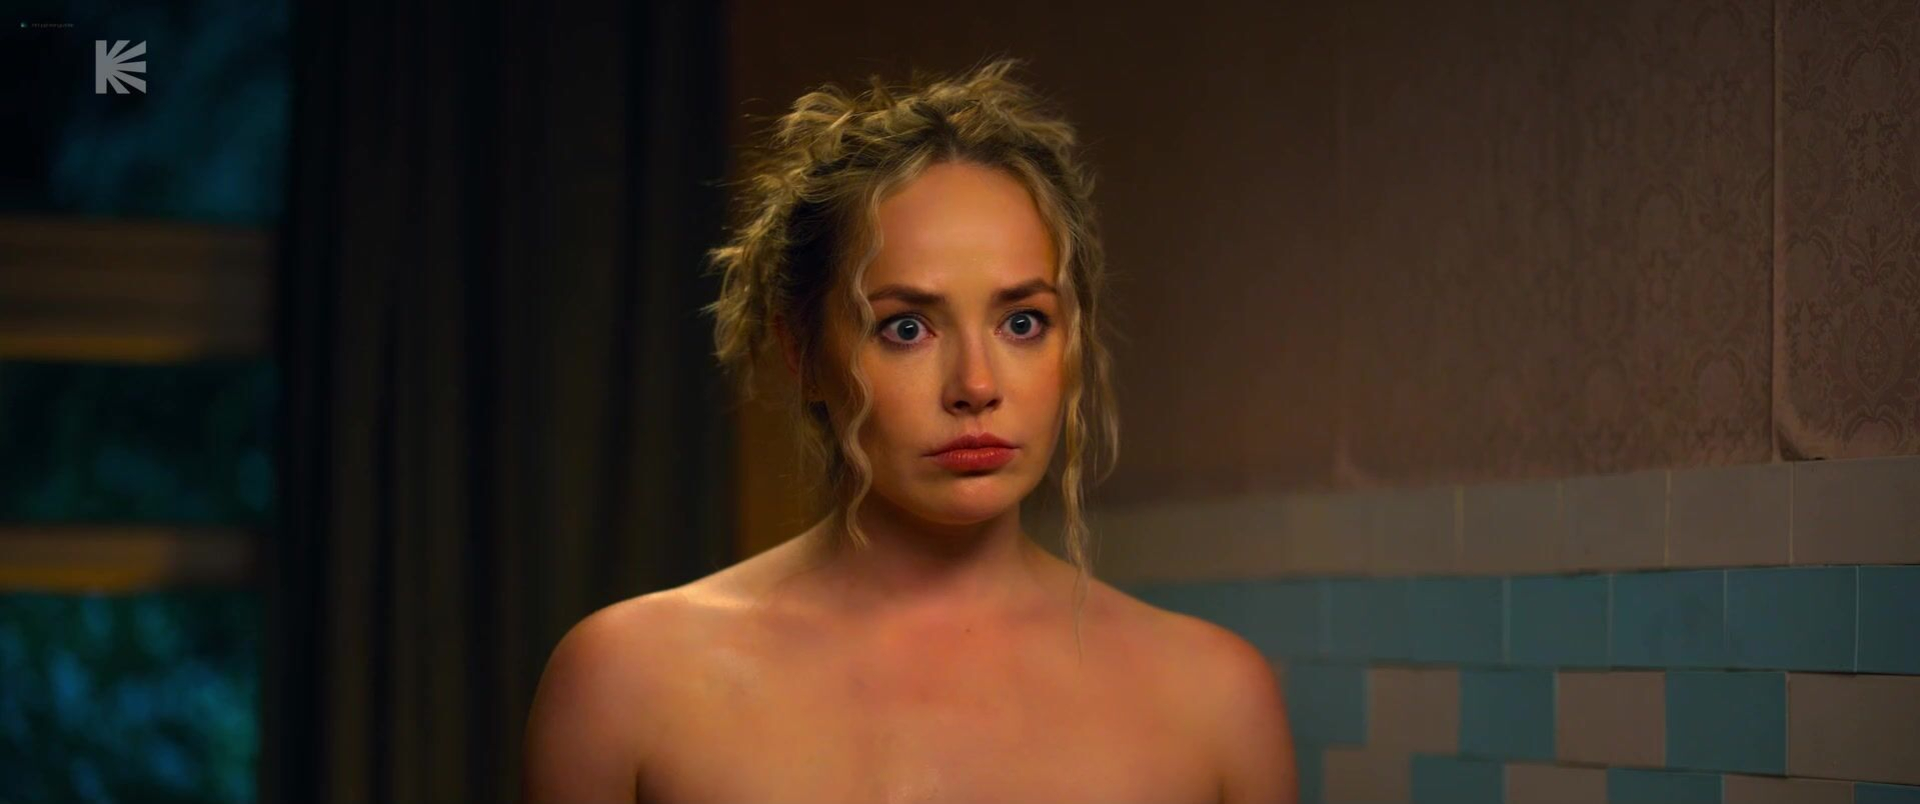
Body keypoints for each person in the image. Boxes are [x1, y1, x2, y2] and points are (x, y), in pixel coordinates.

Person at [521, 56, 1297, 804]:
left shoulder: (1216, 699)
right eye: (905, 328)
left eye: (1023, 322)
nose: (976, 386)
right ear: (802, 353)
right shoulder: (630, 683)